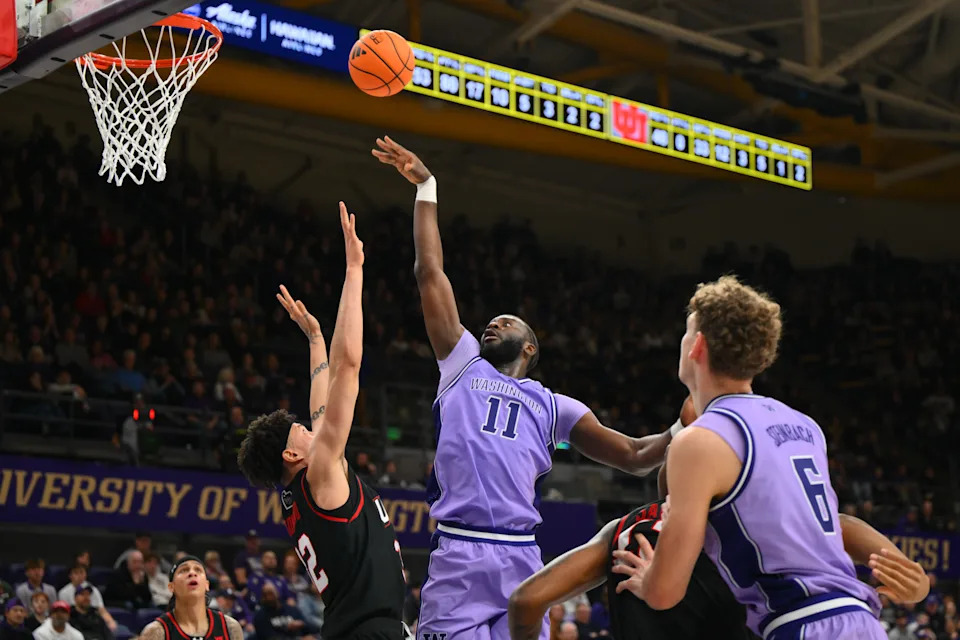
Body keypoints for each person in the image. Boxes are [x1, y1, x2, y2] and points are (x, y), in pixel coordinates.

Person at [372, 136, 684, 640]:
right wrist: (427, 187)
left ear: (531, 347)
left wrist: (688, 423)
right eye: (490, 321)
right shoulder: (462, 362)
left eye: (506, 322)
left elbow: (634, 455)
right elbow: (429, 273)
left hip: (522, 558)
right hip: (460, 551)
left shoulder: (554, 406)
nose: (492, 324)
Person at [607, 276, 928, 640]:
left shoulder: (698, 441)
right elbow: (825, 524)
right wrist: (911, 576)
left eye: (686, 333)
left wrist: (649, 579)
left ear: (697, 345)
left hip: (802, 623)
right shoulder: (804, 426)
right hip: (862, 622)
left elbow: (665, 593)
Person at [237, 203, 407, 640]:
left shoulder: (303, 492)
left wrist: (315, 339)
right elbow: (348, 367)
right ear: (293, 453)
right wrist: (354, 270)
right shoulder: (323, 472)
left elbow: (322, 403)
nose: (314, 427)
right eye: (302, 432)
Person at [508, 490, 930, 640]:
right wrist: (917, 587)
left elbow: (526, 602)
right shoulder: (755, 522)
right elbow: (841, 525)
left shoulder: (624, 529)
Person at [137, 557, 243, 640]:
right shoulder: (156, 632)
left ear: (207, 585)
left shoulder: (230, 627)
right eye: (183, 570)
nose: (192, 573)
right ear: (171, 587)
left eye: (198, 569)